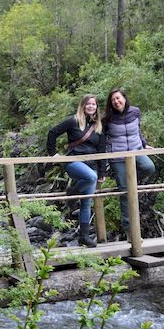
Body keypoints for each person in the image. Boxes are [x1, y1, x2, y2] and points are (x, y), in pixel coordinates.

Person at [46, 94, 105, 248]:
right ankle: (72, 193)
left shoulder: (98, 126)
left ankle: (83, 237)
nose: (91, 106)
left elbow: (102, 150)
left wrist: (102, 172)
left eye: (94, 104)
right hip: (74, 162)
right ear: (83, 105)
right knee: (91, 177)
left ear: (97, 107)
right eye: (88, 104)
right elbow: (52, 132)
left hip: (91, 164)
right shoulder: (73, 121)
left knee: (86, 203)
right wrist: (53, 154)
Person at [101, 88, 155, 235]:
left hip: (136, 150)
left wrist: (144, 144)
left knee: (149, 167)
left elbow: (138, 130)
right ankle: (129, 230)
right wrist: (103, 156)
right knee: (125, 192)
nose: (116, 102)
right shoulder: (107, 118)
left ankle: (130, 181)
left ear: (124, 98)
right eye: (113, 100)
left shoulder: (135, 112)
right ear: (110, 104)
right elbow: (102, 139)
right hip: (117, 157)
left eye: (118, 98)